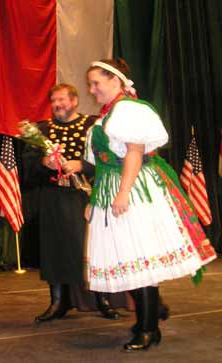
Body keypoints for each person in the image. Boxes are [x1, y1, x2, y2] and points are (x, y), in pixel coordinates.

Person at [84, 58, 216, 351]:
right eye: (91, 84)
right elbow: (103, 165)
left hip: (134, 188)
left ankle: (148, 329)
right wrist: (94, 197)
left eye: (96, 83)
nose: (92, 89)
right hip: (111, 187)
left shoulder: (128, 110)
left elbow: (133, 153)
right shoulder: (105, 116)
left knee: (136, 256)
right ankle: (149, 316)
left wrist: (123, 193)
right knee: (123, 258)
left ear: (116, 81)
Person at [22, 83, 128, 323]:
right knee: (54, 250)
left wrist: (83, 165)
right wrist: (44, 164)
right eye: (54, 101)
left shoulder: (91, 126)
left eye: (62, 100)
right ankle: (58, 302)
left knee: (92, 249)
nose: (58, 105)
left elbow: (110, 159)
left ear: (75, 101)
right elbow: (27, 173)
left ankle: (102, 300)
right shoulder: (42, 131)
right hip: (53, 197)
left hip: (86, 196)